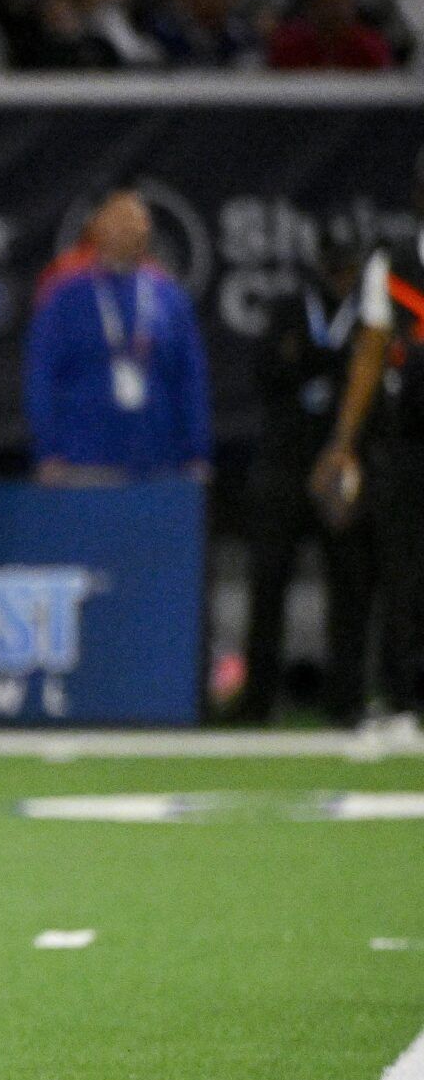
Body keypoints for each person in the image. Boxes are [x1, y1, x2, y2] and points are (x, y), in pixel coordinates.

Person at [235, 217, 374, 725]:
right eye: (334, 264)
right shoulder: (290, 307)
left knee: (350, 585)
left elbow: (362, 379)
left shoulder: (364, 314)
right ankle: (256, 701)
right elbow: (267, 371)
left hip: (338, 463)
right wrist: (326, 364)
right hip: (284, 463)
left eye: (348, 266)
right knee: (268, 582)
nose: (340, 275)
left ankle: (347, 699)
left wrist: (312, 362)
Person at [311, 148, 424, 741]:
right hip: (407, 440)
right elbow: (370, 356)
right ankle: (406, 700)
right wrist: (343, 442)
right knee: (404, 573)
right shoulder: (393, 266)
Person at [25, 188, 212, 484]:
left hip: (160, 458)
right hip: (83, 459)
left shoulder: (169, 297)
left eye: (138, 223)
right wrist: (48, 450)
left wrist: (197, 449)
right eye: (120, 221)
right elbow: (42, 375)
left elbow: (190, 377)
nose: (131, 229)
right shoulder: (64, 297)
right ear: (96, 229)